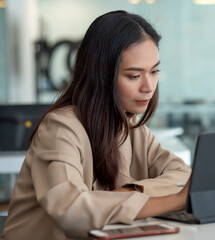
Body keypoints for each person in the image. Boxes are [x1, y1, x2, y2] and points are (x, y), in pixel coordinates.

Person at [1, 10, 191, 239]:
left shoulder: (130, 125)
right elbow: (71, 209)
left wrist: (132, 191)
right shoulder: (60, 128)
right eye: (134, 75)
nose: (149, 86)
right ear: (101, 75)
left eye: (154, 71)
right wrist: (173, 201)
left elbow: (182, 174)